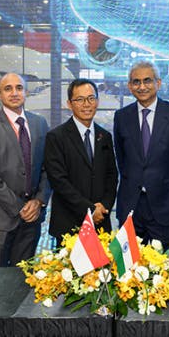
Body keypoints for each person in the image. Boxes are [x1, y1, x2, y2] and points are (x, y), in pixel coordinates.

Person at [112, 61, 169, 250]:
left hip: (166, 206)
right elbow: (122, 160)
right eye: (136, 82)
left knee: (165, 271)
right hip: (130, 206)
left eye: (147, 81)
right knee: (128, 271)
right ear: (130, 86)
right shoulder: (122, 116)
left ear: (159, 83)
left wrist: (166, 186)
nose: (142, 86)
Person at [0, 73, 50, 267]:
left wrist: (39, 200)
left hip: (32, 218)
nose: (14, 93)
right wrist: (19, 207)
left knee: (23, 280)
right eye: (8, 89)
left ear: (26, 92)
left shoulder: (39, 123)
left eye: (19, 88)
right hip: (1, 218)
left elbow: (47, 167)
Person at [44, 79, 118, 247]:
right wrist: (89, 209)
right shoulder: (56, 137)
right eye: (80, 99)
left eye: (91, 98)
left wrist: (104, 206)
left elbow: (112, 176)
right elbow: (59, 181)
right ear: (69, 104)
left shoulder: (104, 136)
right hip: (69, 222)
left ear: (97, 101)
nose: (86, 104)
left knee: (102, 273)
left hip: (100, 222)